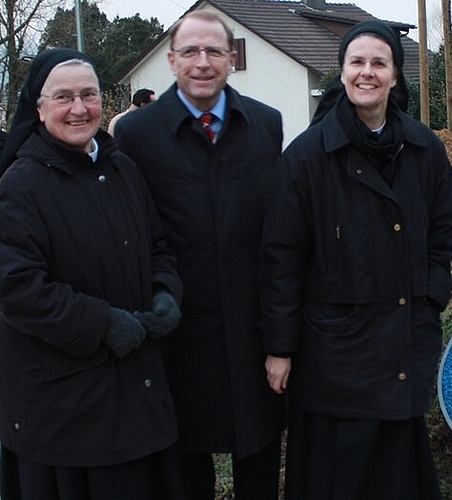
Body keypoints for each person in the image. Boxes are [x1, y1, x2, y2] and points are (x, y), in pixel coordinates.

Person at [261, 20, 452, 499]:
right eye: (356, 62)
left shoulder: (425, 148)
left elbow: (441, 235)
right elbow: (282, 257)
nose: (366, 73)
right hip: (335, 352)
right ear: (342, 71)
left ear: (395, 76)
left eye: (378, 63)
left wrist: (431, 295)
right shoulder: (307, 156)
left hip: (402, 340)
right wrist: (280, 347)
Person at [113, 11, 285, 500]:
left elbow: (278, 236)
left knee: (259, 454)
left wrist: (280, 336)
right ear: (171, 61)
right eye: (190, 52)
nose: (203, 62)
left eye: (214, 51)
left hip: (253, 329)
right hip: (177, 332)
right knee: (185, 466)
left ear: (231, 59)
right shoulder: (137, 135)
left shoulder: (265, 125)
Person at [0, 48, 183, 499]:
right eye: (63, 97)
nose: (79, 109)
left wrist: (165, 293)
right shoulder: (20, 185)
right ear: (38, 108)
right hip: (67, 408)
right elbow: (17, 288)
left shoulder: (122, 169)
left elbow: (158, 246)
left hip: (134, 389)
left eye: (89, 95)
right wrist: (103, 323)